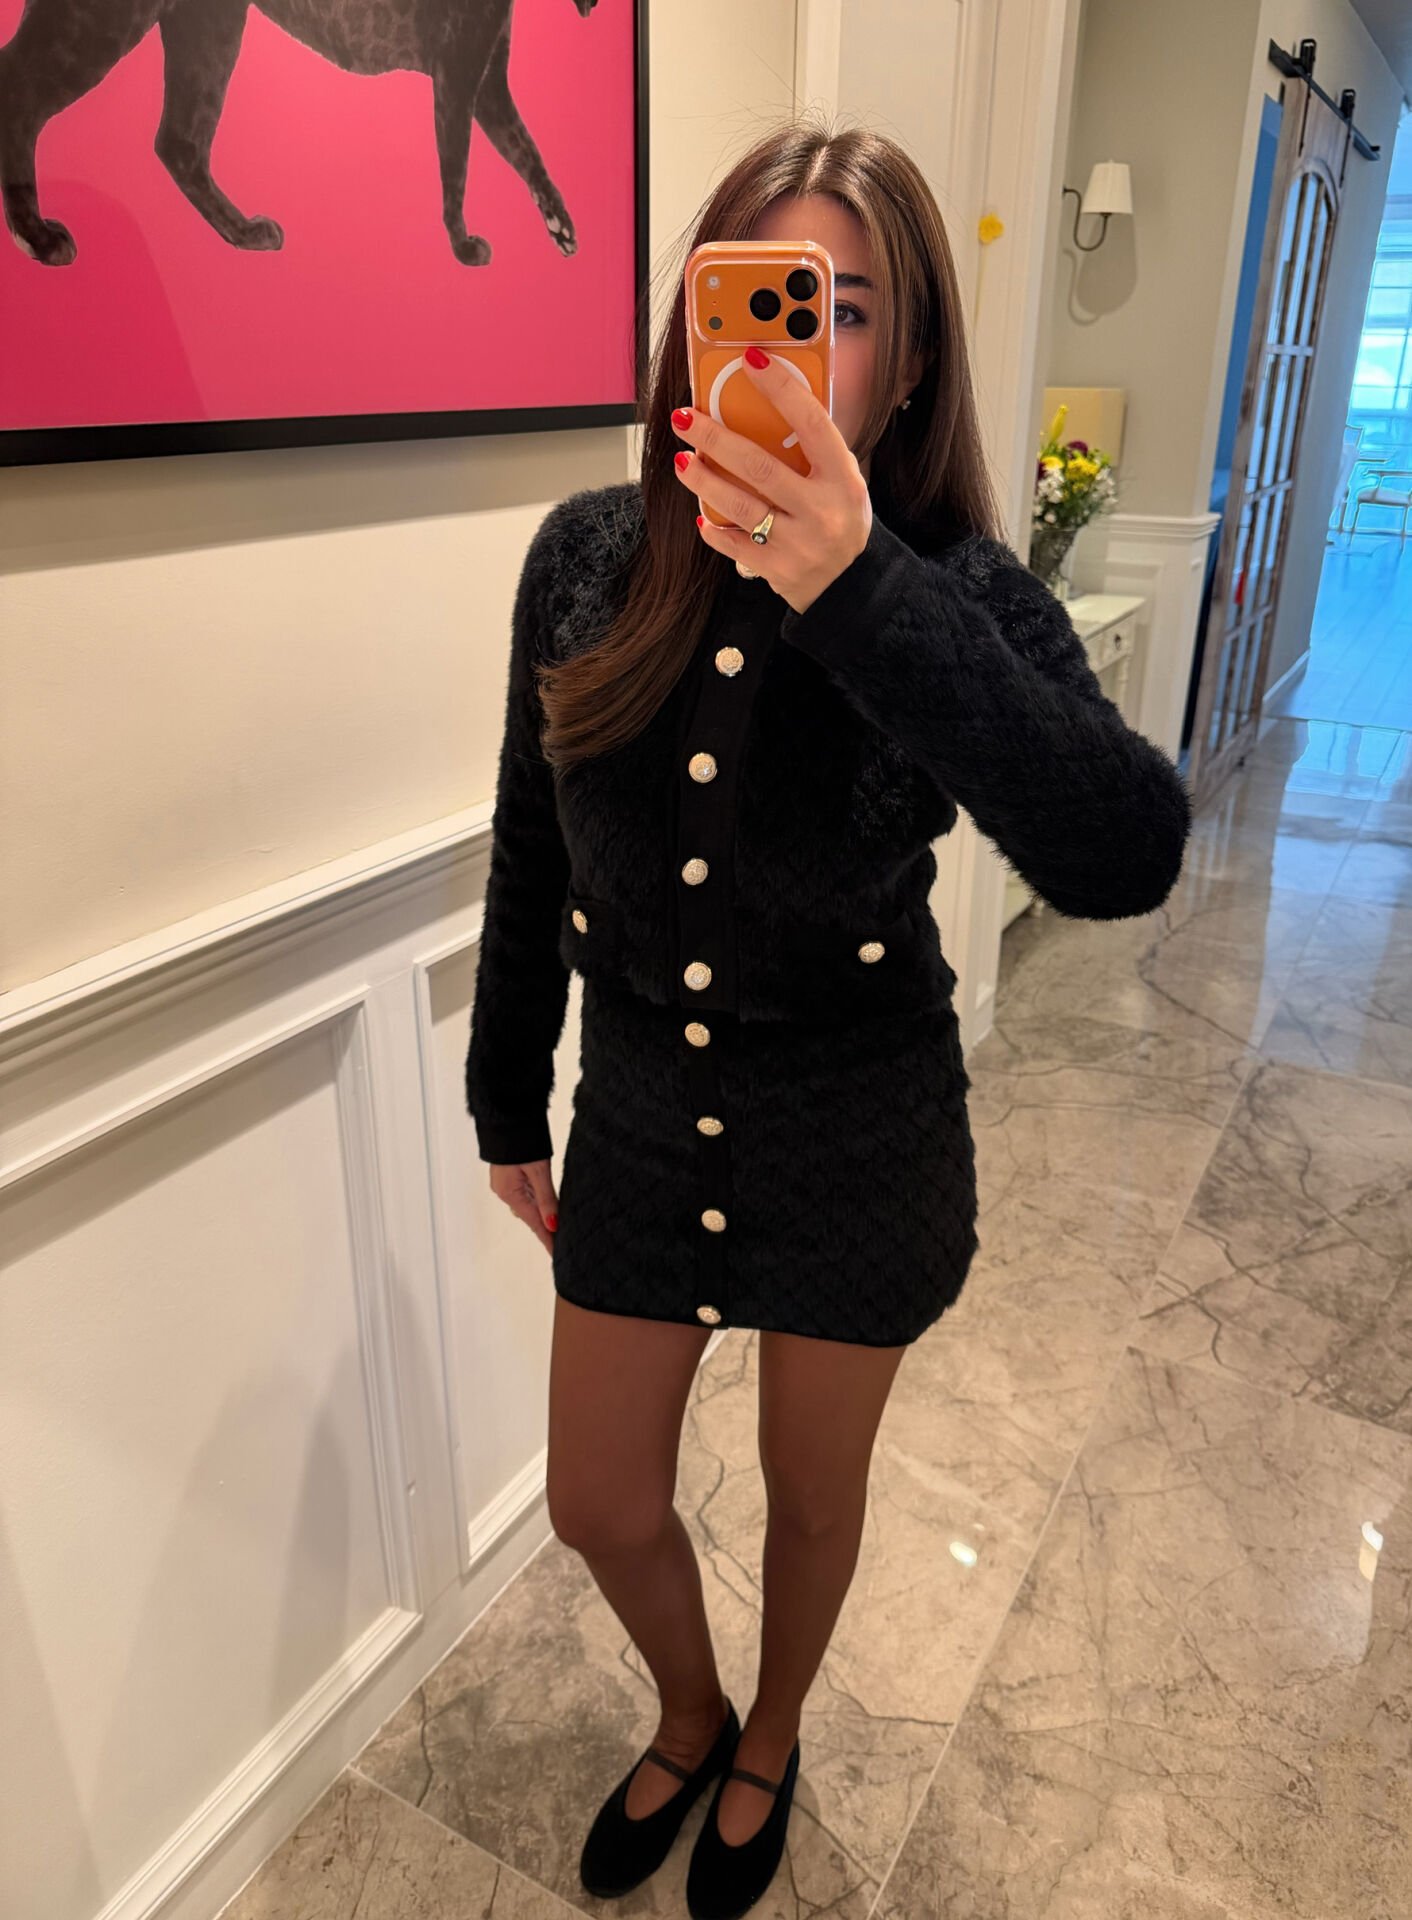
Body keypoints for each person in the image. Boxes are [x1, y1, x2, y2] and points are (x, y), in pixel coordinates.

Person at [465, 120, 1192, 1920]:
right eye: (762, 296)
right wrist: (505, 1095)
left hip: (858, 1124)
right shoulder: (584, 557)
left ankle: (771, 1734)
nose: (795, 350)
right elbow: (529, 837)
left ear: (908, 361)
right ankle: (690, 1710)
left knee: (810, 1495)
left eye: (845, 309)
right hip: (641, 1115)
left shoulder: (950, 590)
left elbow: (1126, 851)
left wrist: (859, 590)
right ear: (693, 323)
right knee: (599, 1501)